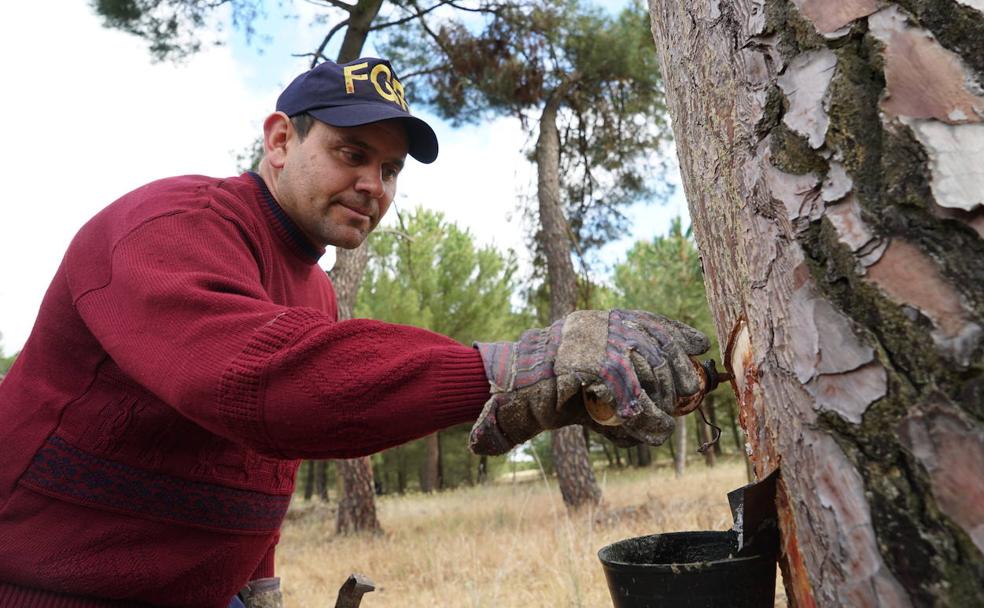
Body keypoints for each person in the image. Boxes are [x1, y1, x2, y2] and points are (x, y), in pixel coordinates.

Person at [0, 57, 708, 607]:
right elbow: (268, 387)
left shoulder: (313, 286)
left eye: (391, 169)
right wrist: (507, 366)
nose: (375, 183)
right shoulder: (170, 228)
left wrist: (258, 582)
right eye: (351, 153)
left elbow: (262, 452)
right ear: (280, 140)